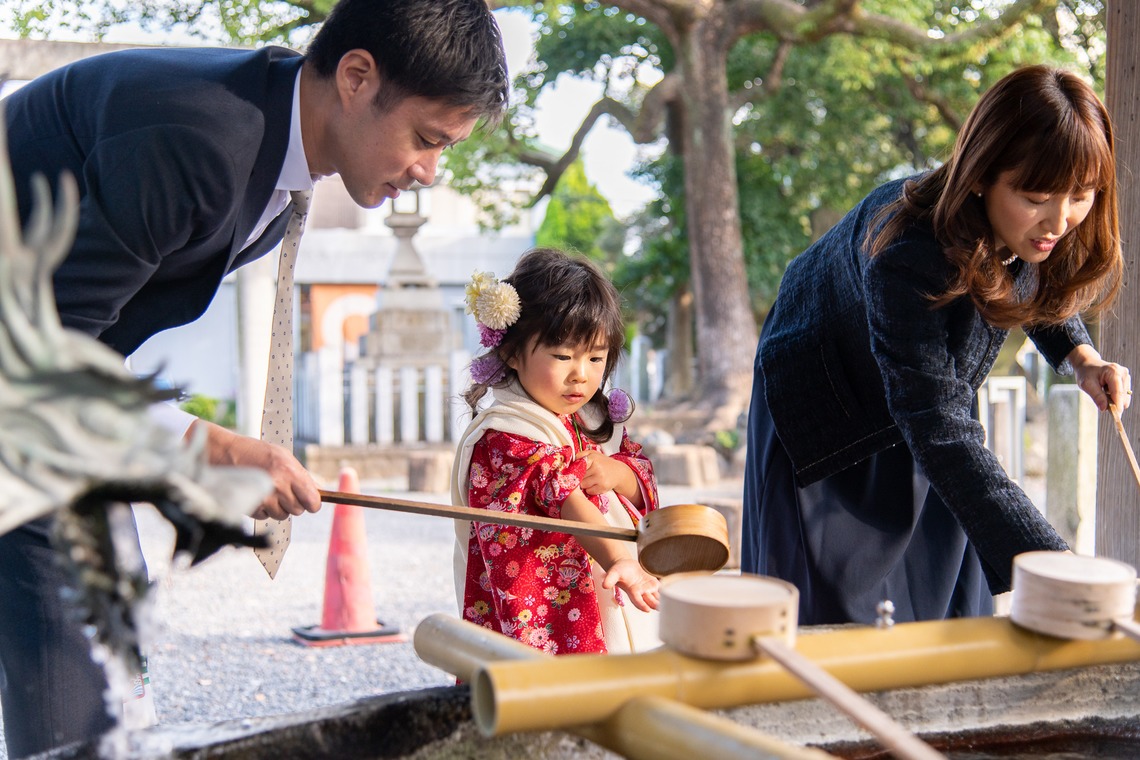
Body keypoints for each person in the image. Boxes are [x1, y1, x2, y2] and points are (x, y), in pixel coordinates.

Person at [0, 0, 508, 755]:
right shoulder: (201, 138)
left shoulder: (276, 148)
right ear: (358, 77)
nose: (429, 172)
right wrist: (214, 447)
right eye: (427, 140)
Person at [742, 65, 1131, 627]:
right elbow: (937, 424)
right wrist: (1058, 567)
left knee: (949, 585)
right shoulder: (906, 251)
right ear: (979, 176)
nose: (1059, 220)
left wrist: (1082, 358)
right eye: (1037, 196)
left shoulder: (1031, 226)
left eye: (1081, 196)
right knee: (843, 612)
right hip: (825, 397)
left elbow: (1033, 279)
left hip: (919, 395)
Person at [450, 248, 661, 655]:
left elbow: (640, 479)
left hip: (611, 580)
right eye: (562, 355)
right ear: (511, 352)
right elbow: (562, 496)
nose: (580, 374)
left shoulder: (590, 418)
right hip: (548, 608)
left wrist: (617, 474)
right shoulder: (506, 433)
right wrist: (618, 558)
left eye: (596, 357)